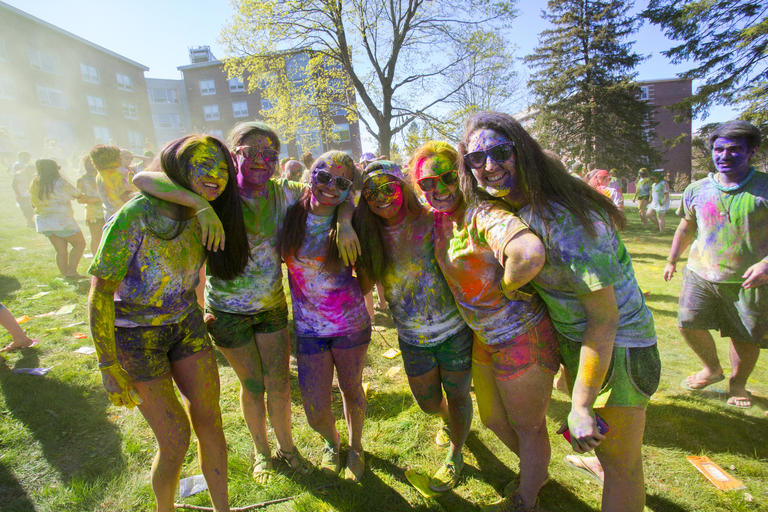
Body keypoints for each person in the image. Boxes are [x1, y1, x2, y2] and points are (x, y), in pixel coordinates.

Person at [133, 122, 360, 483]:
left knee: (280, 386)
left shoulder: (283, 192)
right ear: (232, 154)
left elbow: (335, 192)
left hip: (271, 309)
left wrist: (345, 222)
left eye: (269, 154)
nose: (261, 160)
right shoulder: (216, 192)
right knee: (253, 386)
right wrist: (200, 206)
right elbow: (143, 179)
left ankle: (287, 448)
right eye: (250, 152)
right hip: (227, 314)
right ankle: (262, 452)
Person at [458, 111, 659, 512]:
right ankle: (608, 461)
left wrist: (581, 406)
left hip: (619, 348)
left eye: (500, 153)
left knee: (622, 468)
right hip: (579, 342)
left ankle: (613, 466)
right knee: (616, 456)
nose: (489, 167)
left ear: (524, 153)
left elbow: (605, 321)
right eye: (476, 159)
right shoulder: (521, 205)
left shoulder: (564, 220)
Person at [88, 135, 249, 512]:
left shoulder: (206, 215)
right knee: (175, 439)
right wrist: (108, 364)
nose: (215, 176)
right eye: (204, 166)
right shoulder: (135, 215)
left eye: (223, 170)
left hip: (187, 328)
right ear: (178, 169)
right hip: (135, 338)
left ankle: (222, 508)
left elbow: (191, 273)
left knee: (211, 422)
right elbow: (99, 293)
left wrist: (197, 307)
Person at [410, 140, 559, 512]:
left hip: (522, 336)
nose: (438, 189)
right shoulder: (440, 219)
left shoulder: (483, 213)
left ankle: (527, 499)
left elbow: (527, 253)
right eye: (427, 184)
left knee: (528, 426)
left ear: (462, 175)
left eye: (447, 178)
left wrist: (509, 285)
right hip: (483, 339)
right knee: (493, 419)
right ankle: (536, 473)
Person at [353, 160, 474, 492]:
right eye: (371, 193)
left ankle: (456, 452)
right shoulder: (369, 233)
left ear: (402, 187)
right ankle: (451, 422)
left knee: (459, 394)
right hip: (411, 336)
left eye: (388, 188)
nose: (381, 198)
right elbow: (364, 284)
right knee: (428, 402)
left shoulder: (432, 219)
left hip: (454, 332)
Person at [663, 120, 768, 410]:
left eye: (734, 150)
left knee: (744, 335)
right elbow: (686, 228)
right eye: (719, 149)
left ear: (752, 151)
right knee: (687, 322)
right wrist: (672, 259)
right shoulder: (697, 189)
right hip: (701, 273)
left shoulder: (764, 187)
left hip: (749, 279)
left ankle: (738, 383)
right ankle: (712, 369)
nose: (724, 156)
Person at [280, 151, 371, 482]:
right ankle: (332, 443)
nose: (331, 187)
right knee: (315, 408)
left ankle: (356, 447)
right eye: (324, 177)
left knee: (352, 389)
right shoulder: (289, 211)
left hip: (350, 326)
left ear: (350, 189)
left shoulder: (354, 218)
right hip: (308, 331)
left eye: (342, 183)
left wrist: (346, 221)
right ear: (310, 175)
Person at [30, 159, 86, 280]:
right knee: (80, 244)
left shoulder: (35, 182)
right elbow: (77, 194)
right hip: (62, 220)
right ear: (55, 169)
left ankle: (65, 274)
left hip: (45, 221)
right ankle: (72, 272)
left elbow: (33, 203)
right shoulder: (60, 182)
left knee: (61, 250)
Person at [89, 145, 136, 221]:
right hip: (125, 216)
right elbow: (127, 197)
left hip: (110, 217)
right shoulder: (114, 175)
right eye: (118, 156)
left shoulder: (100, 174)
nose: (120, 158)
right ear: (113, 159)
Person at [77, 154, 105, 256]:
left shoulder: (104, 176)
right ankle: (97, 259)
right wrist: (100, 199)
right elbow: (80, 199)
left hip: (109, 210)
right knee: (96, 237)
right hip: (93, 213)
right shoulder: (82, 180)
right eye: (88, 162)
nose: (91, 165)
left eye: (93, 162)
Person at [12, 152, 36, 228]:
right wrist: (18, 195)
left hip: (30, 193)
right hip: (22, 193)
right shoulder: (19, 172)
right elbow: (14, 184)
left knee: (32, 207)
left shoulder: (32, 174)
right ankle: (29, 222)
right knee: (26, 208)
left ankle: (31, 221)